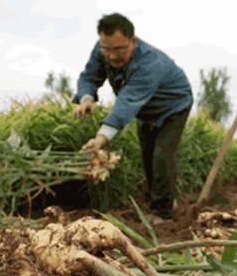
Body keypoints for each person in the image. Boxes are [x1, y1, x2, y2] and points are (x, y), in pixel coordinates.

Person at [72, 13, 193, 221]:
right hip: (145, 110)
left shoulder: (149, 64)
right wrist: (86, 98)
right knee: (147, 156)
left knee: (162, 156)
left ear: (132, 41)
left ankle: (163, 213)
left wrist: (101, 138)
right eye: (107, 49)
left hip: (173, 107)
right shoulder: (103, 49)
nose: (111, 56)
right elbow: (90, 76)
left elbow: (127, 102)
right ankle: (157, 201)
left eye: (119, 49)